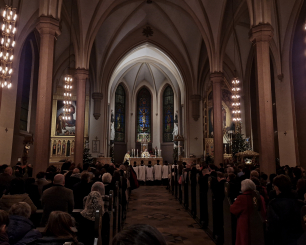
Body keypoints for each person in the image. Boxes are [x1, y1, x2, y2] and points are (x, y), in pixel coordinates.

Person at [266, 174, 303, 245]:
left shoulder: (274, 204)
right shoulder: (300, 203)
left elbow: (271, 226)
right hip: (298, 239)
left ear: (277, 187)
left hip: (280, 239)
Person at [230, 179, 265, 245]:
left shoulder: (241, 198)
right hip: (258, 223)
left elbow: (233, 209)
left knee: (244, 240)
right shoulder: (260, 197)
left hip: (245, 223)